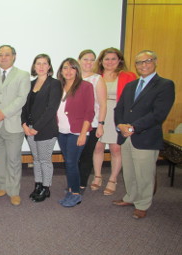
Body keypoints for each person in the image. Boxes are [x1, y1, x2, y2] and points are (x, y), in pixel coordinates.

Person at [113, 50, 174, 219]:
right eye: (139, 62)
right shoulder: (131, 85)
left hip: (146, 137)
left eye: (147, 61)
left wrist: (133, 127)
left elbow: (158, 114)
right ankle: (131, 197)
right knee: (130, 172)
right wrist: (119, 125)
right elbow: (120, 108)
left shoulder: (165, 85)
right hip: (126, 136)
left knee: (144, 173)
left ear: (155, 62)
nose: (143, 65)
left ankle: (143, 204)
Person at [0, 45, 30, 206]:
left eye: (7, 55)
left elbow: (21, 98)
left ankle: (14, 191)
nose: (3, 57)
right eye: (0, 55)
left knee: (14, 159)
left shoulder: (23, 75)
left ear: (14, 56)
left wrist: (4, 113)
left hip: (13, 124)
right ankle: (2, 186)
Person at [92, 48, 136, 195]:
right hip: (98, 114)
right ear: (101, 61)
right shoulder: (96, 76)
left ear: (119, 61)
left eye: (113, 59)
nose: (110, 62)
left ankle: (113, 179)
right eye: (106, 59)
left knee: (115, 149)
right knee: (97, 147)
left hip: (118, 115)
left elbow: (134, 99)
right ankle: (97, 176)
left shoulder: (128, 76)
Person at [21, 54, 62, 202]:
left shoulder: (54, 84)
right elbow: (24, 107)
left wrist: (36, 127)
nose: (41, 66)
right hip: (29, 128)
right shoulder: (31, 84)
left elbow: (51, 108)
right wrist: (24, 124)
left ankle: (46, 188)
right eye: (38, 63)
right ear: (34, 66)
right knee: (36, 159)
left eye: (45, 63)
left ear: (49, 66)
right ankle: (38, 185)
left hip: (45, 129)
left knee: (45, 160)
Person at [56, 58, 94, 207]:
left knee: (72, 162)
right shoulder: (59, 86)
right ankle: (71, 190)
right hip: (62, 131)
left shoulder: (86, 86)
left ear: (77, 70)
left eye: (72, 68)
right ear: (61, 71)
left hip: (77, 131)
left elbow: (89, 112)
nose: (68, 71)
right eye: (65, 68)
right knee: (69, 162)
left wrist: (83, 133)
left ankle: (76, 194)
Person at [77, 50, 107, 193]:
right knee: (74, 156)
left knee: (86, 155)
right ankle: (74, 181)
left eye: (92, 60)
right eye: (85, 59)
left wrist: (101, 124)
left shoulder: (97, 79)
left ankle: (81, 184)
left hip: (92, 124)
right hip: (74, 125)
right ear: (79, 61)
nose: (88, 62)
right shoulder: (72, 77)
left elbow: (103, 104)